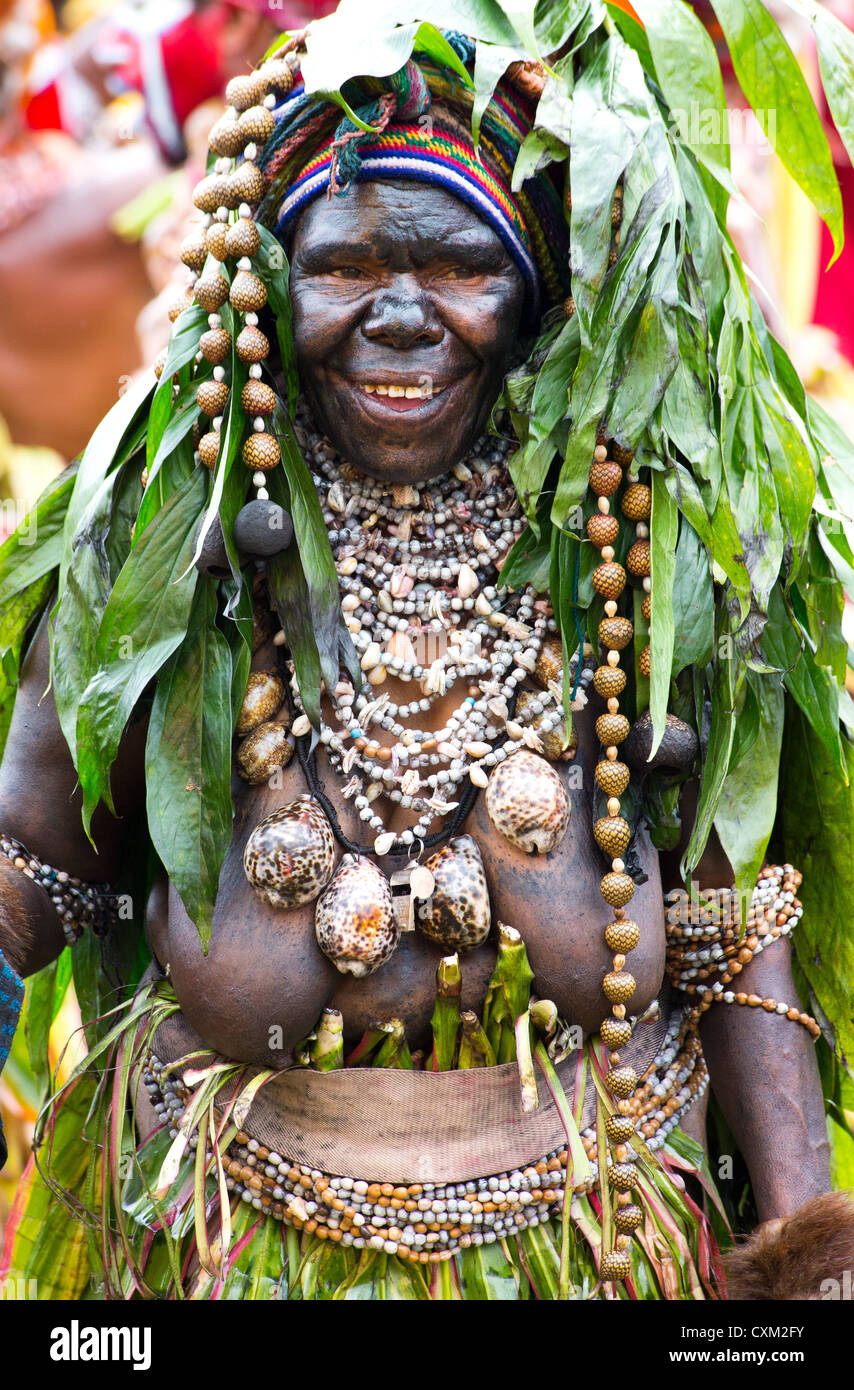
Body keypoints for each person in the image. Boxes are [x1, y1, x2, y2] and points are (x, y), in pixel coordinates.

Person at [1, 6, 853, 1301]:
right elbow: (29, 869)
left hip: (587, 1244)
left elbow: (732, 924)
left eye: (457, 265)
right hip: (228, 1252)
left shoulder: (637, 556)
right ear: (266, 291)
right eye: (344, 266)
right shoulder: (165, 557)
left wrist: (805, 1259)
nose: (399, 314)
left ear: (539, 295)